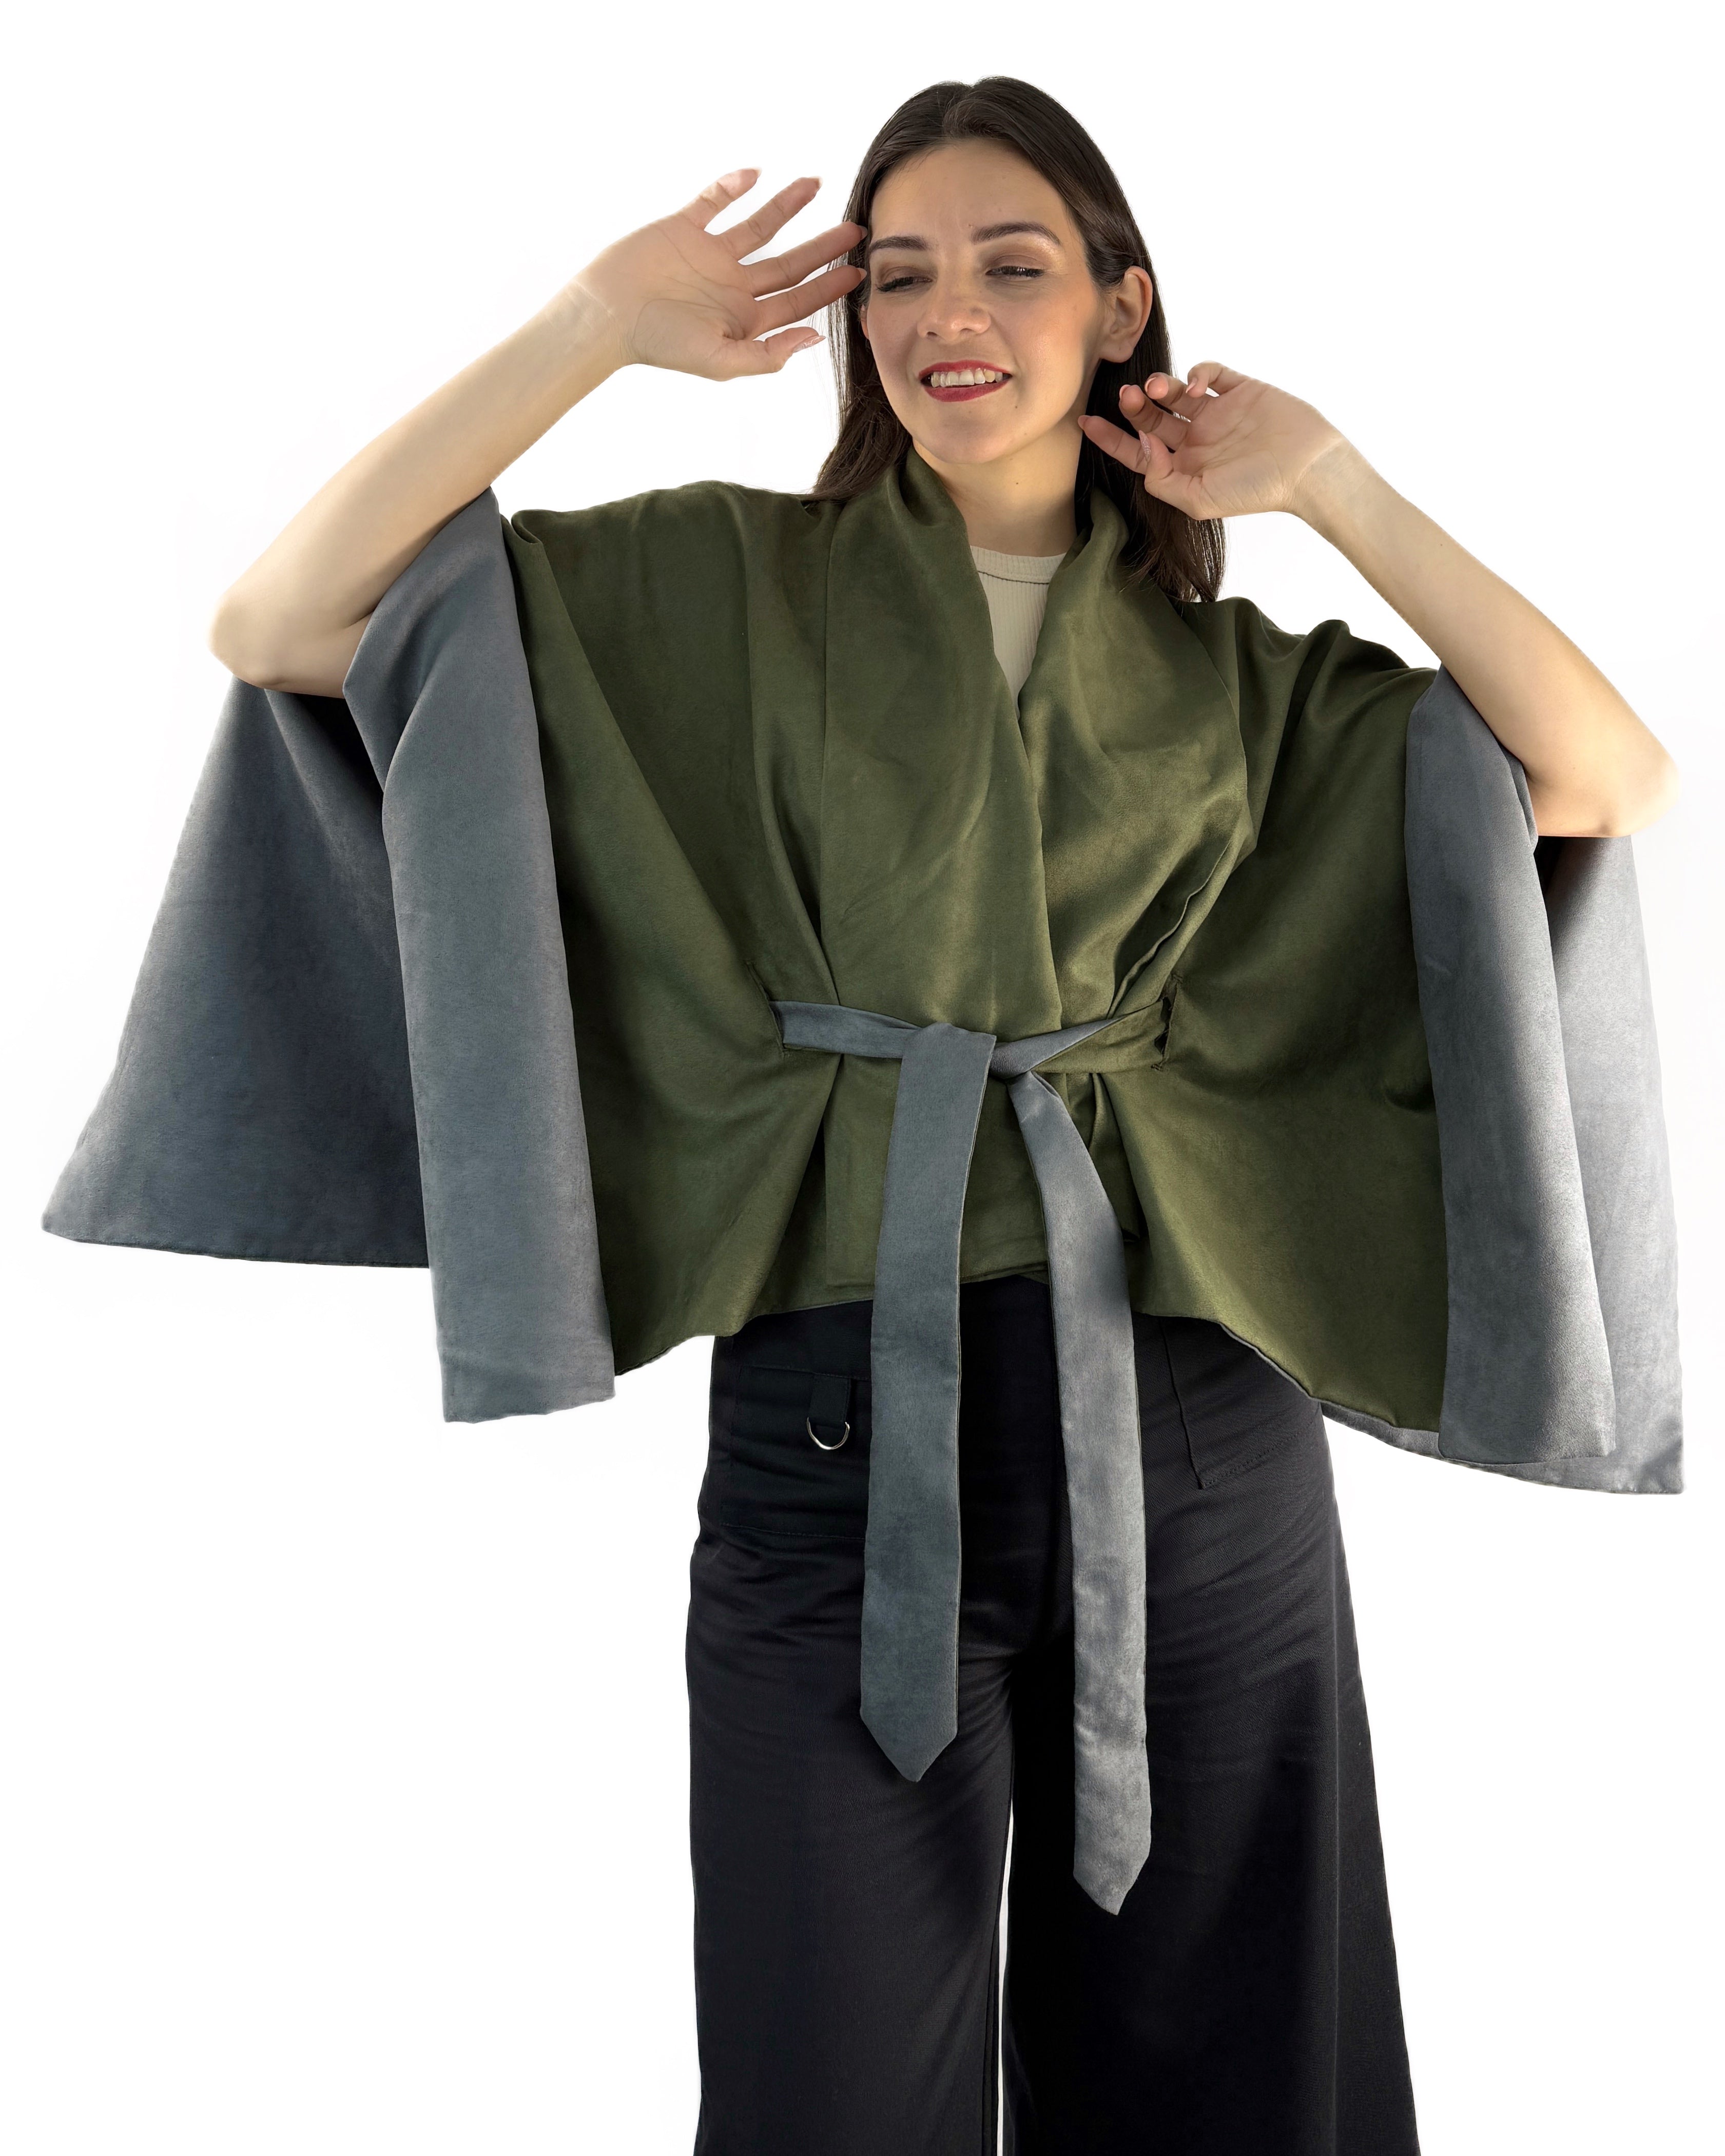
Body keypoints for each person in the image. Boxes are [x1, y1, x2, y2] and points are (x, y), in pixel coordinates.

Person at [152, 74, 1680, 2156]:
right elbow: (284, 625)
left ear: (1120, 305)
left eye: (1012, 264)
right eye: (895, 275)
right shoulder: (721, 584)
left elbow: (1603, 777)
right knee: (826, 2096)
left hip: (1196, 1445)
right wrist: (589, 330)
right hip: (834, 1442)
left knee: (1241, 2092)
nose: (945, 312)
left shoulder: (1239, 675)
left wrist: (1334, 485)